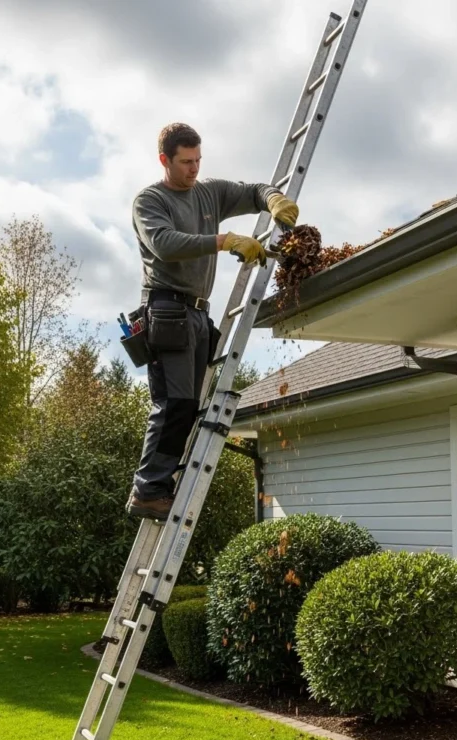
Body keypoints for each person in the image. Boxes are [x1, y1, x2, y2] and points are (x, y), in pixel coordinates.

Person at [127, 122, 299, 520]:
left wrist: (273, 199)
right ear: (164, 160)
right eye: (186, 162)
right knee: (173, 404)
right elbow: (165, 245)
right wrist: (223, 240)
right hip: (166, 309)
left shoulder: (208, 192)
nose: (194, 169)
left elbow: (251, 191)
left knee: (189, 407)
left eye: (198, 160)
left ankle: (159, 485)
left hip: (198, 315)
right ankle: (148, 490)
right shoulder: (149, 201)